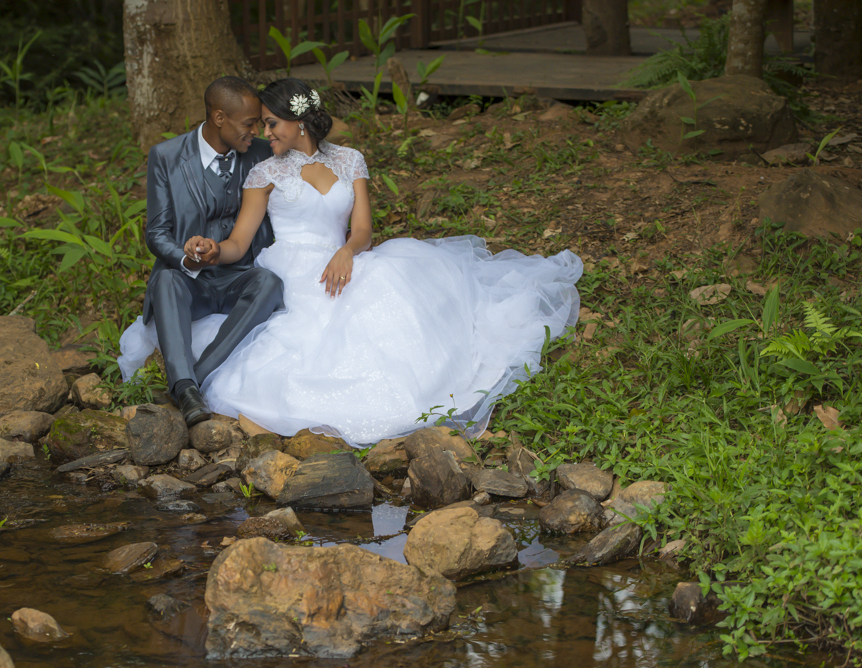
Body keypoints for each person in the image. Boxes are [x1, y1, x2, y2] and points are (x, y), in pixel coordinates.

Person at [125, 77, 583, 447]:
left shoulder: (350, 160)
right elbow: (240, 245)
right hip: (288, 263)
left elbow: (362, 230)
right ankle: (193, 384)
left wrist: (346, 250)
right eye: (260, 126)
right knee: (294, 324)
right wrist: (209, 249)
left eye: (271, 124)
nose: (265, 135)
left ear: (298, 123)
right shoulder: (265, 171)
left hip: (343, 258)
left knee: (390, 306)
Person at [123, 76, 284, 427]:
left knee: (270, 282)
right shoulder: (166, 157)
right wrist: (184, 255)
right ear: (219, 118)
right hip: (189, 280)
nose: (255, 131)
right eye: (248, 123)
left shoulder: (260, 154)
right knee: (165, 280)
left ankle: (193, 380)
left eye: (258, 122)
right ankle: (184, 385)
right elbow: (156, 232)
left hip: (239, 275)